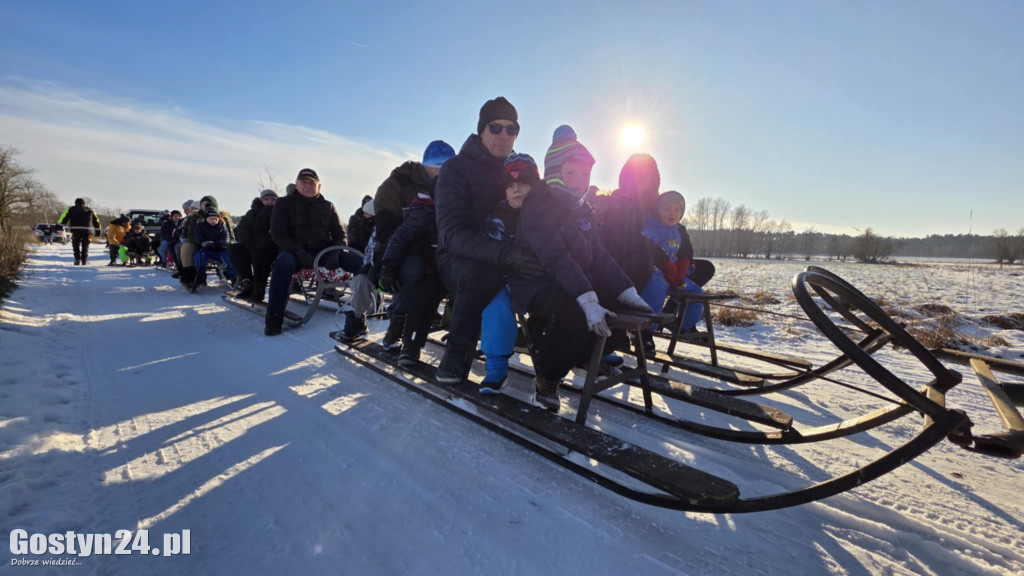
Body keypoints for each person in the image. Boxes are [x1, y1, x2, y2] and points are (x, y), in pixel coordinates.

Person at [509, 126, 651, 411]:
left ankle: (589, 355)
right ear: (553, 171)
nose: (578, 181)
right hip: (535, 280)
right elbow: (555, 256)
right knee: (574, 311)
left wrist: (627, 291)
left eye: (584, 174)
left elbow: (599, 254)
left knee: (611, 302)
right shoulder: (540, 204)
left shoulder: (582, 207)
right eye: (570, 173)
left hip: (569, 279)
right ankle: (548, 377)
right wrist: (586, 298)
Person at [434, 97, 543, 383]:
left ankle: (551, 358)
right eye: (495, 128)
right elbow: (451, 233)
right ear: (482, 130)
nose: (504, 135)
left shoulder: (517, 170)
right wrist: (505, 254)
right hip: (457, 257)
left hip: (509, 250)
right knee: (481, 274)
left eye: (512, 129)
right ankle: (457, 354)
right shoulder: (455, 169)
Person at [372, 140, 455, 350]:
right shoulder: (397, 184)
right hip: (401, 248)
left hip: (439, 250)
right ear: (428, 166)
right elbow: (388, 231)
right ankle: (397, 323)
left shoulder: (452, 187)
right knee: (413, 270)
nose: (443, 174)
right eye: (439, 169)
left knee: (439, 278)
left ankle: (449, 325)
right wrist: (388, 261)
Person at [265, 168, 362, 336]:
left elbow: (340, 234)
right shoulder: (283, 204)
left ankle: (359, 315)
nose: (308, 186)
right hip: (294, 252)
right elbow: (277, 234)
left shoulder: (328, 206)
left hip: (324, 253)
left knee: (361, 263)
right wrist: (298, 252)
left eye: (312, 183)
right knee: (282, 265)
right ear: (297, 185)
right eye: (304, 183)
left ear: (319, 187)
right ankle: (274, 316)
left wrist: (335, 252)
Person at [477, 153, 538, 392]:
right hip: (506, 277)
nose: (516, 190)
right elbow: (490, 250)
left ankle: (588, 352)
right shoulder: (497, 217)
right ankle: (495, 367)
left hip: (540, 277)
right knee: (496, 302)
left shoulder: (547, 212)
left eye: (522, 183)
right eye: (510, 185)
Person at [376, 185, 444, 366]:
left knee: (432, 283)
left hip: (448, 263)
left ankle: (461, 345)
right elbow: (402, 236)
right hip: (422, 260)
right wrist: (389, 262)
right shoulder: (426, 210)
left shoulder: (464, 207)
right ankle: (402, 330)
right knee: (417, 276)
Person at [230, 188, 279, 302]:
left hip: (272, 248)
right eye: (266, 199)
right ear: (261, 200)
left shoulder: (279, 212)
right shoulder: (252, 213)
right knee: (234, 249)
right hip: (253, 246)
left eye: (273, 199)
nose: (270, 202)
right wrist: (253, 244)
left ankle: (259, 288)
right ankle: (247, 282)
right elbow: (242, 232)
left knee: (262, 253)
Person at [179, 196, 234, 286]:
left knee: (230, 252)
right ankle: (191, 276)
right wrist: (202, 242)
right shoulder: (196, 217)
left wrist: (223, 244)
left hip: (221, 245)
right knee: (187, 248)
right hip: (200, 244)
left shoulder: (223, 219)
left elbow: (229, 236)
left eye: (207, 203)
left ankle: (233, 275)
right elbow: (191, 234)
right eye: (202, 204)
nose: (204, 205)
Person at [58, 198, 101, 265]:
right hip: (87, 230)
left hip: (75, 230)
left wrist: (59, 226)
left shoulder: (71, 209)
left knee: (75, 244)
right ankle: (84, 260)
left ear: (75, 203)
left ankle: (77, 259)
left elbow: (65, 219)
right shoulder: (90, 210)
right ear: (84, 203)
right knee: (85, 245)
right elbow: (96, 221)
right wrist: (98, 230)